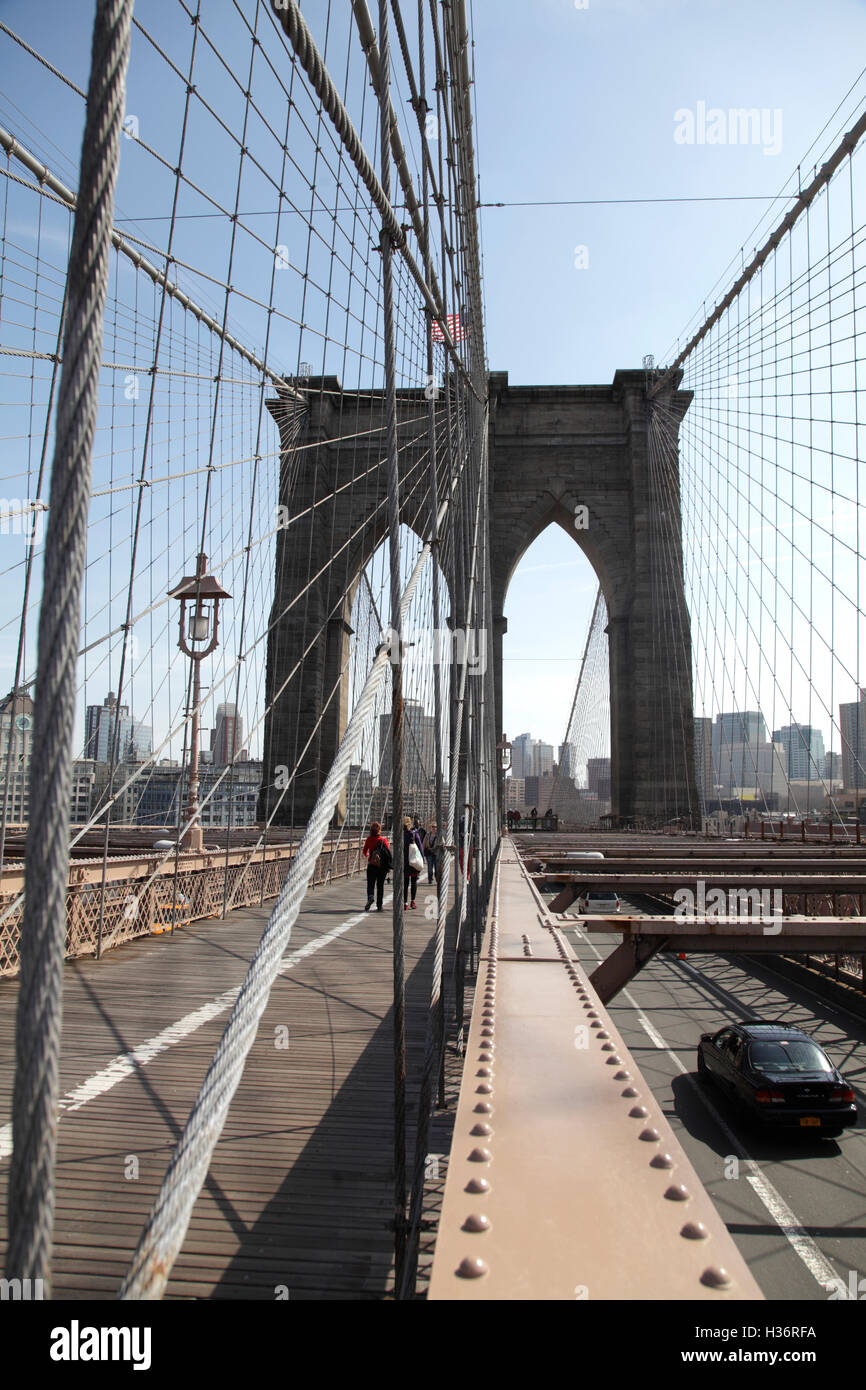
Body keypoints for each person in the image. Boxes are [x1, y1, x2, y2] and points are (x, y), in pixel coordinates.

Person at [362, 820, 391, 912]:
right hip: (381, 867)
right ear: (379, 830)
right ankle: (379, 906)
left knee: (370, 885)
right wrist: (388, 866)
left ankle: (370, 897)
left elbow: (364, 851)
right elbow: (387, 854)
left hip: (371, 866)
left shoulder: (369, 839)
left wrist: (369, 857)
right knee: (380, 886)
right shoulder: (383, 840)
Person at [403, 815, 423, 908]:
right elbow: (420, 848)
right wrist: (421, 859)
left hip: (405, 862)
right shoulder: (414, 834)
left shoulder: (401, 835)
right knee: (414, 882)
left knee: (405, 883)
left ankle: (405, 903)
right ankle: (413, 901)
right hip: (414, 861)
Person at [423, 820, 440, 884]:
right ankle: (430, 879)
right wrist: (422, 851)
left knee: (436, 868)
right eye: (433, 827)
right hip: (429, 853)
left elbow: (443, 842)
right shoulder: (428, 834)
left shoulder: (439, 835)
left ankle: (437, 878)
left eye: (435, 827)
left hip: (435, 853)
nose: (434, 828)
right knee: (430, 867)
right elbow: (423, 843)